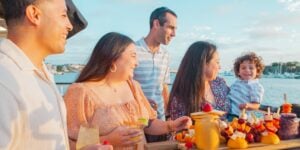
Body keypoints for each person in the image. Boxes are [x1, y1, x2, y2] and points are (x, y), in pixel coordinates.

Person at [0, 0, 111, 149]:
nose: (70, 26)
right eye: (64, 15)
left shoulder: (39, 73)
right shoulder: (5, 82)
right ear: (34, 15)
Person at [64, 32, 192, 149]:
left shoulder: (133, 87)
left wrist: (171, 126)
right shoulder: (81, 93)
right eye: (133, 56)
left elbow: (146, 124)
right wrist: (108, 140)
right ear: (113, 59)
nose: (136, 63)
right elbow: (68, 141)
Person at [167, 41, 231, 120]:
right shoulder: (181, 97)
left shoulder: (219, 83)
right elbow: (180, 129)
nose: (220, 67)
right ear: (204, 64)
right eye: (217, 62)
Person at [133, 7, 177, 121]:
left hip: (160, 120)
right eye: (171, 28)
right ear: (156, 24)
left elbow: (164, 88)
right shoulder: (132, 50)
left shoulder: (165, 55)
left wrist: (168, 117)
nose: (174, 34)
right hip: (138, 121)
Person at [227, 52, 265, 121]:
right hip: (229, 113)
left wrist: (248, 105)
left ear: (257, 71)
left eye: (251, 68)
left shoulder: (256, 86)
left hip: (243, 117)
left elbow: (256, 105)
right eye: (243, 68)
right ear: (238, 71)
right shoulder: (236, 83)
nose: (247, 70)